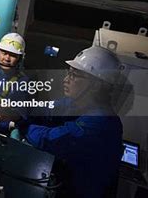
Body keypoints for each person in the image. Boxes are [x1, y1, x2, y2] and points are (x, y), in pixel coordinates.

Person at [13, 46, 123, 198]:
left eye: (74, 75)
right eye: (68, 73)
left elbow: (51, 139)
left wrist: (18, 120)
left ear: (97, 85)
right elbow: (47, 110)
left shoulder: (101, 123)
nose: (66, 79)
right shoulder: (78, 103)